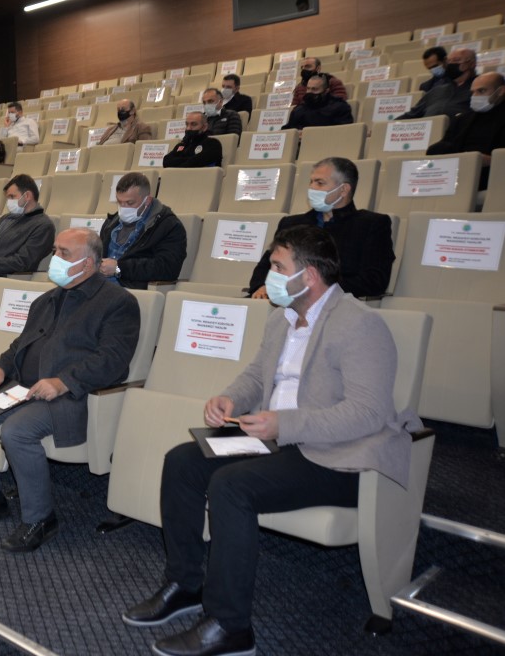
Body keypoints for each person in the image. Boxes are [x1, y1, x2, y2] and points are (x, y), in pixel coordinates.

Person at [124, 225, 420, 656]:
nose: (270, 275)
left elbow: (367, 413)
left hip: (339, 457)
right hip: (280, 442)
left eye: (279, 267)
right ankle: (185, 584)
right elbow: (258, 376)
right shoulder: (282, 319)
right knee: (183, 461)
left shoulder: (360, 325)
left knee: (231, 486)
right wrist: (229, 398)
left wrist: (284, 424)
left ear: (310, 275)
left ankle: (229, 626)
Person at [0, 229, 140, 551]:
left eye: (64, 253)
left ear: (87, 264)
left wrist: (64, 382)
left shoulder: (118, 302)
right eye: (55, 250)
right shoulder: (46, 300)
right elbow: (20, 345)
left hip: (71, 395)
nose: (54, 258)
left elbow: (113, 361)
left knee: (17, 431)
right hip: (23, 388)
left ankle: (41, 519)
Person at [249, 158, 394, 299]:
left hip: (338, 303)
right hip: (283, 300)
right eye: (311, 182)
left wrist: (312, 289)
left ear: (343, 189)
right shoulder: (291, 223)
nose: (311, 188)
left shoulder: (371, 224)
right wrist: (262, 286)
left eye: (319, 183)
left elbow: (375, 280)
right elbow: (265, 266)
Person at [99, 173, 187, 289]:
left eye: (130, 203)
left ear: (147, 201)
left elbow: (168, 268)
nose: (123, 208)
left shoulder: (168, 226)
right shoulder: (111, 223)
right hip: (100, 285)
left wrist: (119, 268)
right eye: (120, 202)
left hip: (130, 288)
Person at [426, 72, 505, 190]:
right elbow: (445, 145)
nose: (475, 96)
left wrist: (491, 161)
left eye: (481, 91)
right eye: (473, 92)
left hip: (495, 178)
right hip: (458, 175)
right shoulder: (462, 119)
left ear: (500, 91)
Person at [398, 48, 477, 121]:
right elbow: (412, 114)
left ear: (471, 64)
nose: (451, 64)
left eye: (456, 60)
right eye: (449, 61)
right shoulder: (436, 90)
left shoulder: (478, 88)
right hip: (427, 128)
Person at [282, 74, 354, 130]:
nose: (310, 92)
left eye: (314, 89)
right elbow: (289, 131)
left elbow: (344, 132)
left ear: (326, 91)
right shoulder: (298, 110)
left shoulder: (340, 107)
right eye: (308, 89)